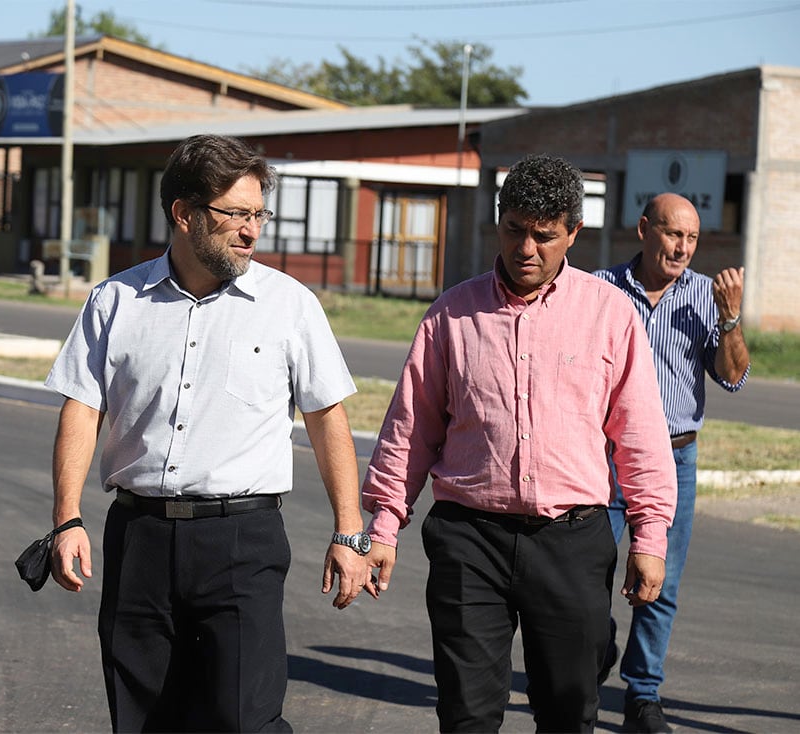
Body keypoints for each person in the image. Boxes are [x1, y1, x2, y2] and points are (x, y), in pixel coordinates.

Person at [44, 133, 371, 733]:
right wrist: (67, 519)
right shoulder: (115, 301)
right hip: (139, 539)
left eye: (258, 214)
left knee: (245, 720)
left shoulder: (289, 306)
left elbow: (328, 420)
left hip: (241, 542)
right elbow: (81, 411)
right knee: (143, 719)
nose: (252, 230)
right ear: (185, 214)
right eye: (236, 215)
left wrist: (350, 532)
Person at [360, 154, 678, 732]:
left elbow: (640, 437)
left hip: (572, 543)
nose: (526, 248)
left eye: (544, 235)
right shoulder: (451, 316)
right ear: (498, 221)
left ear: (573, 234)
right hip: (469, 542)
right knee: (467, 715)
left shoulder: (609, 316)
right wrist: (384, 525)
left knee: (567, 712)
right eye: (514, 230)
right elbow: (410, 430)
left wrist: (650, 536)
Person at [593, 192, 750, 733]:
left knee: (662, 583)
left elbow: (733, 377)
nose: (682, 247)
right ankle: (592, 658)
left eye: (691, 239)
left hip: (675, 457)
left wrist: (729, 320)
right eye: (672, 233)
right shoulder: (601, 290)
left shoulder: (707, 296)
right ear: (643, 229)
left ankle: (643, 696)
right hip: (605, 459)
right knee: (584, 575)